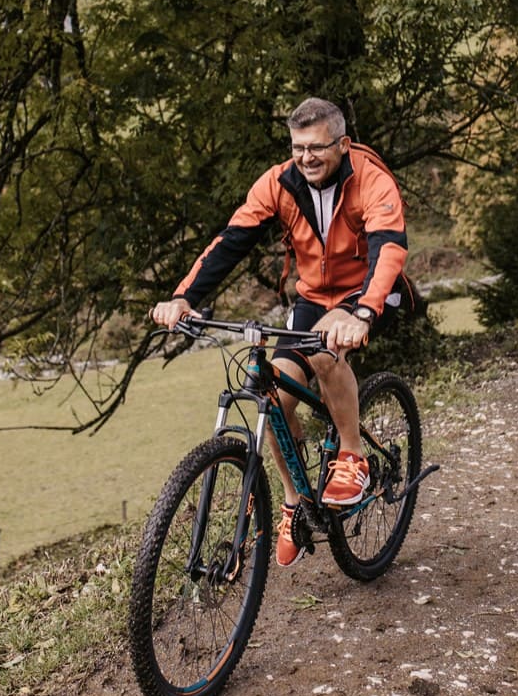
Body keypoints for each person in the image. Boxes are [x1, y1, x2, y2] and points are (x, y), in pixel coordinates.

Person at [151, 97, 408, 567]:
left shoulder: (371, 177)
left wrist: (364, 313)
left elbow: (389, 247)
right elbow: (231, 241)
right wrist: (185, 296)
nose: (306, 157)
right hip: (313, 296)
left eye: (316, 147)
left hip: (370, 292)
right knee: (273, 395)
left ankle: (352, 455)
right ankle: (293, 500)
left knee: (327, 348)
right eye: (297, 148)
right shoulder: (279, 182)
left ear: (343, 143)